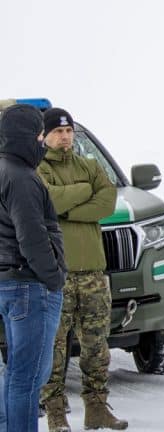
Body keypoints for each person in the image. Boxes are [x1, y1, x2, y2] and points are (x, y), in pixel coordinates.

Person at [36, 108, 125, 431]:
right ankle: (57, 414)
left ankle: (98, 408)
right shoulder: (36, 168)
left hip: (94, 273)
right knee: (54, 350)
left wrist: (67, 210)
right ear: (44, 135)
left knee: (97, 347)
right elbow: (49, 201)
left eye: (69, 131)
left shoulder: (90, 165)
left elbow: (108, 201)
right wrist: (83, 193)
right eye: (58, 131)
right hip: (56, 275)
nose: (65, 137)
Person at [0, 104, 66, 431]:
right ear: (27, 136)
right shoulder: (21, 177)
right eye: (41, 134)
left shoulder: (4, 169)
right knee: (28, 377)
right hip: (30, 285)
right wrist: (54, 278)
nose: (43, 141)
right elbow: (32, 237)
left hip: (10, 283)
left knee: (16, 373)